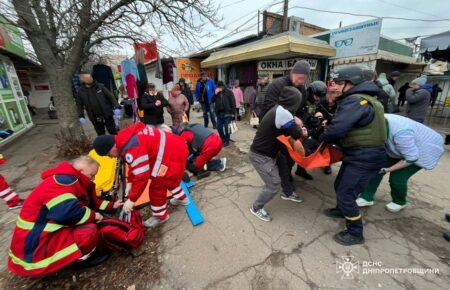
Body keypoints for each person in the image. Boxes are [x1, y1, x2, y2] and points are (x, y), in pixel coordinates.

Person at [8, 156, 120, 277]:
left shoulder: (71, 180)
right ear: (81, 171)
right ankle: (76, 261)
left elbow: (92, 202)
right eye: (92, 175)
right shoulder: (62, 183)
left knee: (88, 224)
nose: (93, 179)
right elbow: (67, 213)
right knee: (88, 232)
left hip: (35, 242)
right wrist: (94, 216)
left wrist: (112, 205)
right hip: (35, 252)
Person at [319, 65, 387, 246]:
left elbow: (337, 130)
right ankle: (342, 210)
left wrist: (317, 140)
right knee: (340, 184)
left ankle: (355, 232)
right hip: (358, 154)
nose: (337, 87)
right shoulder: (369, 100)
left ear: (353, 83)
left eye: (341, 83)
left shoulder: (356, 101)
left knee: (346, 193)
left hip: (365, 157)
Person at [92, 122, 189, 228]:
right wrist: (130, 181)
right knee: (168, 178)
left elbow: (142, 176)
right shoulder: (125, 138)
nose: (111, 157)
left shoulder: (131, 148)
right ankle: (182, 198)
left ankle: (161, 216)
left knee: (157, 186)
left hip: (172, 156)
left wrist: (132, 200)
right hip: (175, 149)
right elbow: (135, 165)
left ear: (113, 146)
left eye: (108, 154)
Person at [357, 114, 444, 212]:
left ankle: (399, 202)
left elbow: (411, 158)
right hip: (403, 146)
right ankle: (366, 197)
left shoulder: (401, 134)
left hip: (423, 149)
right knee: (376, 168)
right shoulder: (376, 119)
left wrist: (387, 169)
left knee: (397, 178)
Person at [249, 87, 307, 222]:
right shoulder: (283, 113)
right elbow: (297, 134)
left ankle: (287, 192)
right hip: (261, 156)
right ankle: (256, 207)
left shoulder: (279, 108)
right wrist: (301, 129)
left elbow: (287, 128)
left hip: (272, 152)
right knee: (274, 183)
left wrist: (295, 123)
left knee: (284, 167)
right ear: (295, 102)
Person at [212, 81, 235, 147]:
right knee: (219, 128)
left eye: (221, 87)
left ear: (223, 86)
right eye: (218, 87)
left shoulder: (229, 92)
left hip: (227, 113)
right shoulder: (217, 92)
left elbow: (233, 102)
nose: (219, 88)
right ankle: (223, 139)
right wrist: (215, 94)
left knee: (227, 128)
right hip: (219, 113)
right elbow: (212, 100)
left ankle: (227, 141)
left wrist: (233, 113)